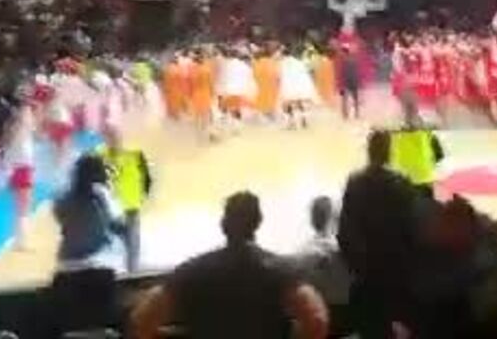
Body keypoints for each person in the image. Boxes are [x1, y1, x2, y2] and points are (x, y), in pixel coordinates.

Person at [131, 191, 329, 339]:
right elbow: (317, 321)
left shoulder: (194, 271)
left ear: (223, 224)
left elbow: (142, 321)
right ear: (258, 223)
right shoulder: (280, 270)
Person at [338, 129, 420, 339]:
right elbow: (413, 228)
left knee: (371, 328)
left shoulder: (355, 182)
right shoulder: (402, 182)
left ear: (369, 151)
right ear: (389, 152)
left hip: (366, 273)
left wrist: (357, 266)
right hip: (397, 272)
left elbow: (345, 232)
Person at [53, 154, 126, 274]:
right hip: (96, 262)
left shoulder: (63, 199)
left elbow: (61, 218)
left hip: (67, 262)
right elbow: (117, 226)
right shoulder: (101, 197)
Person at [97, 123, 153, 273]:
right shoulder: (99, 155)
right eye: (109, 137)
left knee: (132, 239)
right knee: (122, 234)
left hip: (130, 204)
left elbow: (146, 176)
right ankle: (127, 259)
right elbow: (95, 178)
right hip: (111, 206)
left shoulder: (134, 153)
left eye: (115, 136)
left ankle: (132, 270)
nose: (113, 140)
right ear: (105, 138)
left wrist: (144, 194)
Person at [290, 196, 351, 331]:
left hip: (319, 318)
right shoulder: (344, 249)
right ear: (333, 218)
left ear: (312, 220)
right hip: (344, 316)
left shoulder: (301, 251)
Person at [389, 95, 445, 197]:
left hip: (404, 180)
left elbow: (389, 158)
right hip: (424, 178)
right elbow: (439, 155)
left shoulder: (396, 135)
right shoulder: (426, 133)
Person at [4, 102, 37, 251]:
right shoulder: (22, 132)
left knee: (20, 208)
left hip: (16, 169)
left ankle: (19, 239)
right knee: (24, 208)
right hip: (24, 169)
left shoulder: (12, 130)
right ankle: (21, 242)